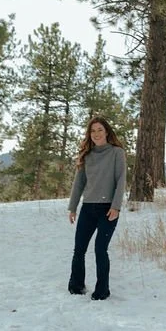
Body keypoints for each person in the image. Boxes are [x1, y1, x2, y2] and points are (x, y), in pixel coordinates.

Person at [67, 116, 126, 300]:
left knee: (100, 249)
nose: (96, 134)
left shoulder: (117, 153)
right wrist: (73, 207)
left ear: (106, 131)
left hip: (108, 209)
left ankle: (102, 291)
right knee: (79, 249)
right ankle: (76, 286)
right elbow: (79, 184)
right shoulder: (87, 155)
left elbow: (121, 180)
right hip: (88, 208)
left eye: (100, 129)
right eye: (93, 131)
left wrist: (116, 206)